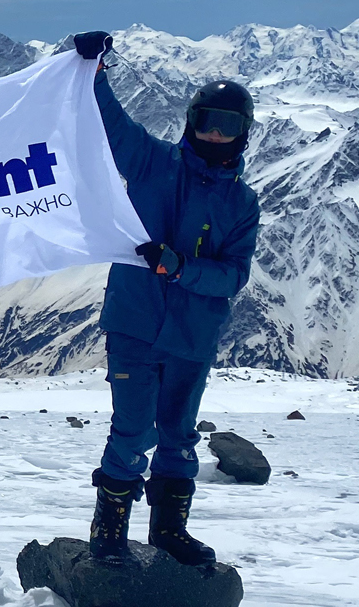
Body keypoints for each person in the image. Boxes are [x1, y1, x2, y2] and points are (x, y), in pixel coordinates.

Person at [71, 30, 260, 567]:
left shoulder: (243, 204)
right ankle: (108, 527)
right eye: (208, 123)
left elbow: (233, 277)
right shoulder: (154, 164)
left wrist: (180, 268)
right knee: (132, 429)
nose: (216, 136)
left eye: (228, 127)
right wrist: (95, 72)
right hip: (134, 321)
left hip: (193, 336)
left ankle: (168, 532)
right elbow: (112, 128)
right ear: (191, 123)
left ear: (244, 134)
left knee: (178, 436)